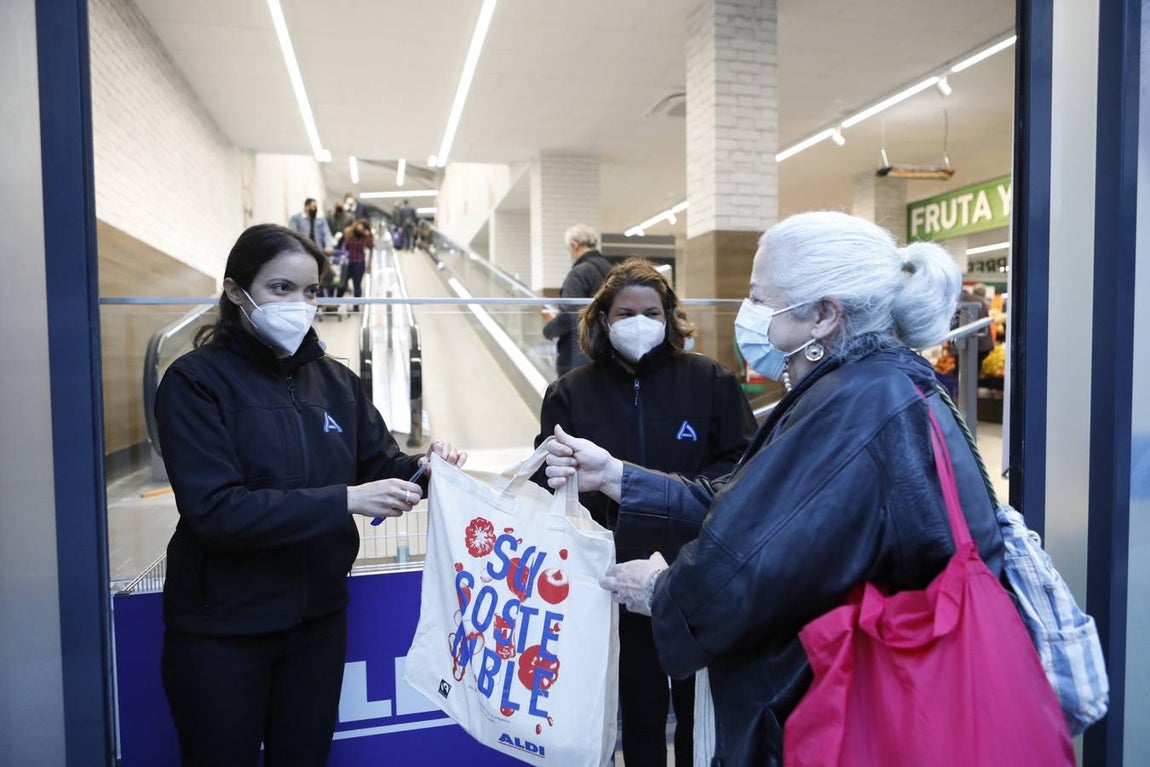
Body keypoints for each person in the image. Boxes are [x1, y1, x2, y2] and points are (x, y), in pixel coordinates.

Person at [541, 212, 1004, 766]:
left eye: (761, 297)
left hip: (844, 714)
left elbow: (755, 551)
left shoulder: (854, 410)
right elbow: (753, 505)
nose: (749, 313)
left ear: (824, 315)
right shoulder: (881, 386)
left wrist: (663, 589)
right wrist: (618, 476)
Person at [154, 223, 466, 766]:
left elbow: (381, 463)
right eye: (281, 288)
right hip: (223, 629)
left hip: (316, 623)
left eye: (311, 291)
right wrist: (345, 500)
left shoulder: (337, 383)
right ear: (235, 292)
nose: (300, 304)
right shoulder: (194, 382)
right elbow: (215, 511)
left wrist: (427, 469)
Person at [533, 258, 756, 767]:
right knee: (638, 714)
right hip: (614, 580)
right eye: (626, 312)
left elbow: (741, 468)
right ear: (603, 320)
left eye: (651, 312)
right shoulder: (569, 393)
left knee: (702, 714)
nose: (639, 322)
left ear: (670, 317)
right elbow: (549, 482)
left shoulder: (711, 381)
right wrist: (558, 474)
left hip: (696, 573)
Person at [542, 224, 613, 376]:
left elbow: (569, 315)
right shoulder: (611, 270)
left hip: (579, 358)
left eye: (568, 249)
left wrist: (548, 330)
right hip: (608, 353)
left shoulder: (579, 273)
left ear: (574, 245)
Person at [340, 218, 374, 311]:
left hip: (359, 262)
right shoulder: (348, 233)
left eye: (362, 228)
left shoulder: (365, 236)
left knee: (357, 285)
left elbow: (370, 246)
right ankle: (335, 304)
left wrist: (368, 235)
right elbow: (340, 244)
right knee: (342, 284)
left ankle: (356, 306)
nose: (360, 228)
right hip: (347, 262)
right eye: (359, 226)